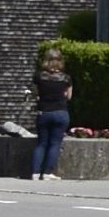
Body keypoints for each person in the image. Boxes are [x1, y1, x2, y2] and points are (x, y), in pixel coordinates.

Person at [29, 45, 72, 181]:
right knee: (55, 143)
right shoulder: (66, 78)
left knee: (41, 143)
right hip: (60, 112)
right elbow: (69, 96)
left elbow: (35, 93)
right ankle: (47, 173)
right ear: (60, 61)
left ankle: (35, 172)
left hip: (44, 112)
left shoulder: (39, 76)